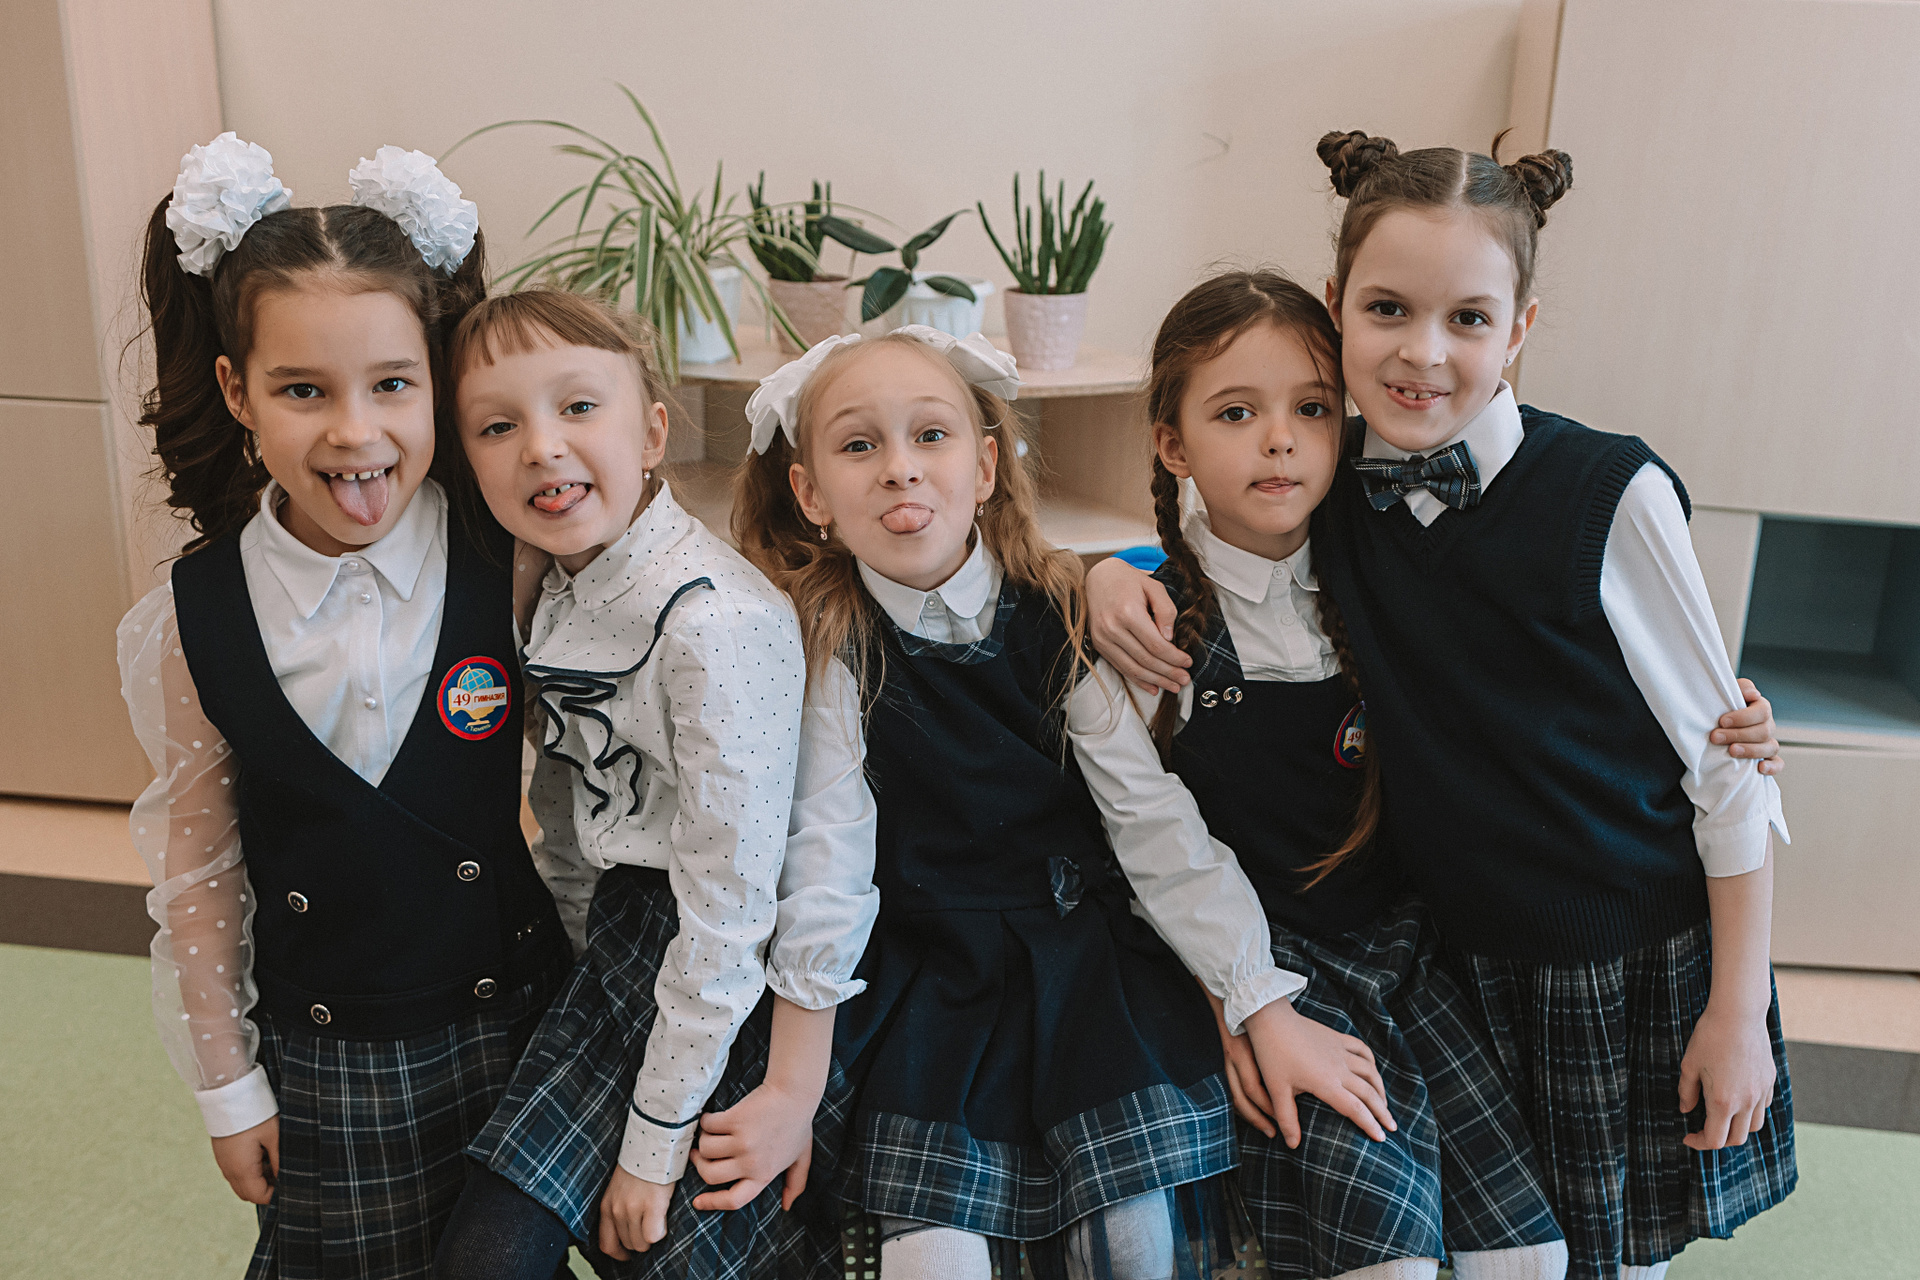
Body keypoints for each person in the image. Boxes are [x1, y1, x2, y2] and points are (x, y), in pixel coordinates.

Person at [1085, 132, 1795, 1280]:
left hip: (1619, 953)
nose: (1423, 351)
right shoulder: (1330, 482)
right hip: (1457, 949)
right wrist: (1101, 576)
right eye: (1388, 310)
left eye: (1469, 317)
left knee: (1611, 1261)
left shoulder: (1609, 493)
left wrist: (1739, 1005)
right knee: (1508, 1247)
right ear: (1338, 308)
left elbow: (1726, 764)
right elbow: (1214, 538)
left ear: (1519, 328)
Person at [117, 134, 571, 1280]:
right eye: (303, 390)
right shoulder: (192, 616)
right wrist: (228, 1084)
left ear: (439, 380)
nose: (355, 431)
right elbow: (198, 869)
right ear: (238, 391)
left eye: (392, 385)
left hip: (520, 1018)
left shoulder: (513, 559)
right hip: (328, 1054)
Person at [1067, 268, 1569, 1280]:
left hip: (1405, 949)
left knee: (1532, 1257)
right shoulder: (1136, 636)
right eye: (1235, 412)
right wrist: (1256, 1004)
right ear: (1172, 444)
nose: (1281, 441)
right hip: (1251, 957)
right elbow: (1162, 847)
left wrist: (1713, 712)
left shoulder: (1392, 578)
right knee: (1390, 1261)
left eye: (1311, 409)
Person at [732, 327, 1238, 1280]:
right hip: (929, 974)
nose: (899, 468)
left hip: (1079, 962)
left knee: (1134, 1246)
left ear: (986, 467)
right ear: (811, 495)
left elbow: (1150, 818)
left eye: (931, 435)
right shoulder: (831, 639)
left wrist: (1248, 992)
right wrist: (794, 1086)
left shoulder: (1058, 611)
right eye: (858, 445)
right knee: (934, 1257)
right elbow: (827, 860)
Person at [431, 289, 876, 1280]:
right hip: (614, 954)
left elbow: (730, 905)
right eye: (498, 427)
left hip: (718, 974)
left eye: (578, 407)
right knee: (489, 1252)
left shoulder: (716, 621)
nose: (541, 446)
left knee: (660, 1246)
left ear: (652, 435)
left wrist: (652, 1142)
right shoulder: (545, 585)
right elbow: (565, 815)